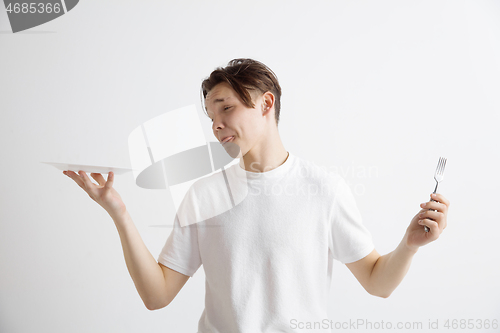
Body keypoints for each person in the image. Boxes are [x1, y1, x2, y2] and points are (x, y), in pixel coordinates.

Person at [63, 58, 450, 332]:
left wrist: (410, 244)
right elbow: (156, 295)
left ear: (266, 104)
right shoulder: (204, 194)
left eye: (226, 108)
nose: (216, 124)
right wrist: (119, 212)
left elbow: (377, 283)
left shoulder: (323, 189)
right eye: (210, 116)